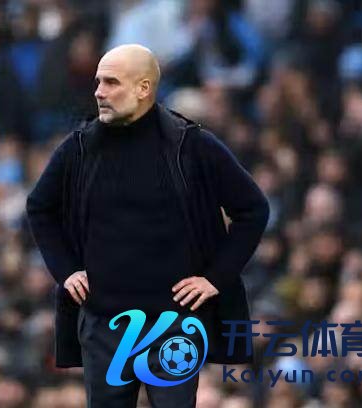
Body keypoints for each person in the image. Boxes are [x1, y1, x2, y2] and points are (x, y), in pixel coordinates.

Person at [26, 44, 269, 407]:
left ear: (144, 88)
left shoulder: (191, 146)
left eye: (111, 82)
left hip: (175, 324)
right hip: (104, 322)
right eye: (98, 82)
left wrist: (215, 278)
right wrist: (66, 271)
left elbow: (253, 209)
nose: (99, 92)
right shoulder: (79, 149)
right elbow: (39, 207)